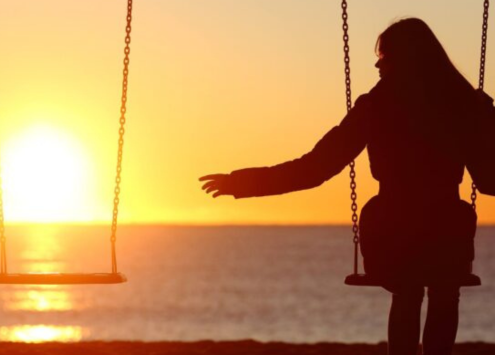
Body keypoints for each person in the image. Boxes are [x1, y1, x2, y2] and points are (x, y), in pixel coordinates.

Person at [199, 18, 493, 355]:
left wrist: (243, 183)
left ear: (407, 59)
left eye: (385, 55)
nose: (377, 63)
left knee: (408, 290)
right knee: (444, 289)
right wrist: (485, 120)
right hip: (444, 233)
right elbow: (489, 182)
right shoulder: (461, 106)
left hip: (393, 232)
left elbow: (314, 168)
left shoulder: (376, 108)